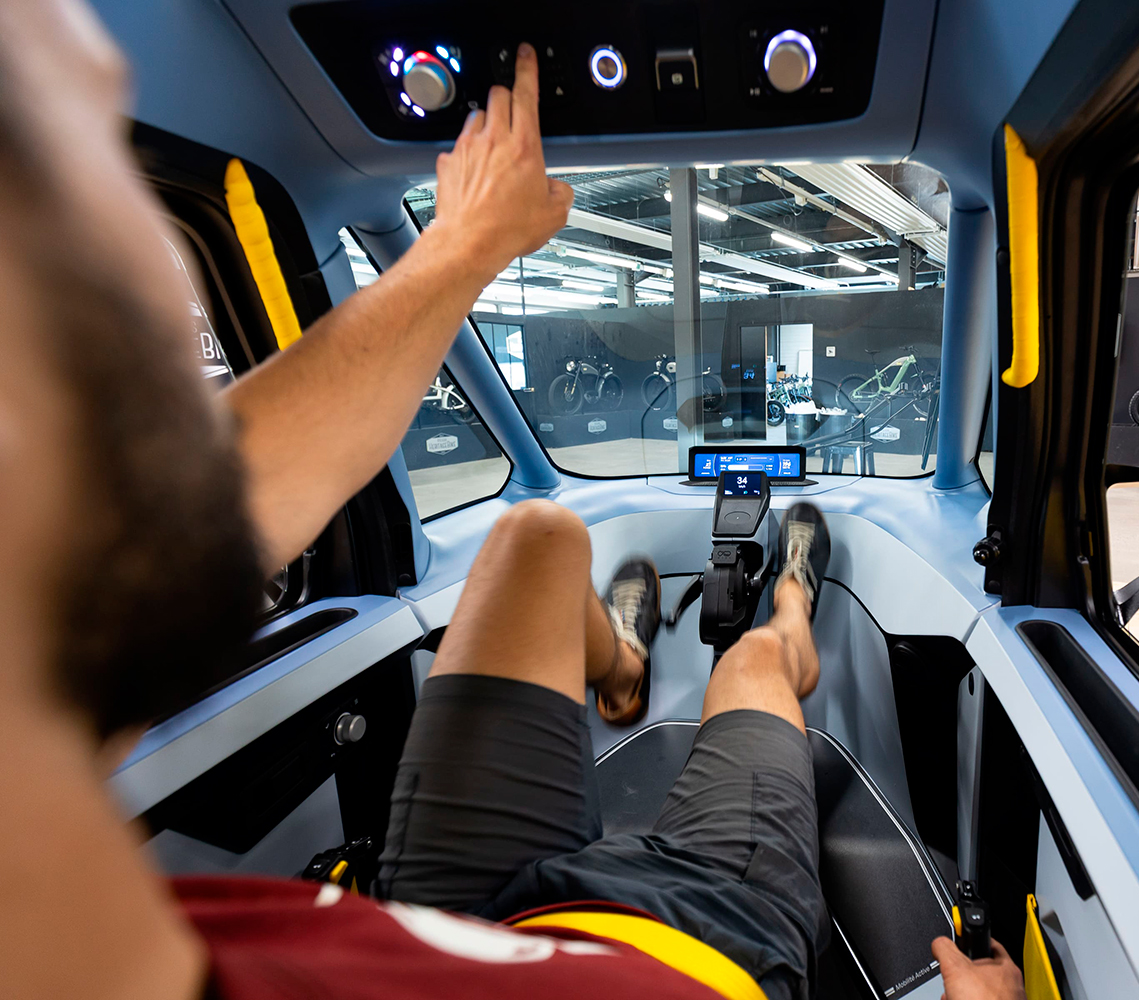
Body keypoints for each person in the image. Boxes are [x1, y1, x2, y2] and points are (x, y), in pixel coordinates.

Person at [0, 0, 1025, 997]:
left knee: (538, 533)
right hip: (691, 945)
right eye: (88, 151)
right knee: (752, 657)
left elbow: (191, 504)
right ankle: (795, 608)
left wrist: (465, 244)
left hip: (445, 923)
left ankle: (621, 667)